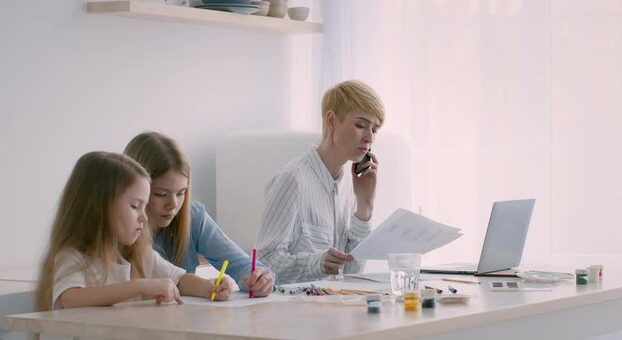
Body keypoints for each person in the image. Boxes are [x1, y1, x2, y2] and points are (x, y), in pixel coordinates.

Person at [35, 152, 228, 311]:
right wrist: (141, 285)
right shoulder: (72, 257)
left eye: (144, 207)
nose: (144, 217)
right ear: (99, 208)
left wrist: (209, 287)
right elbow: (71, 298)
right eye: (135, 206)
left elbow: (179, 281)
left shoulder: (139, 254)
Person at [255, 79, 385, 284]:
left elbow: (351, 272)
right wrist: (317, 263)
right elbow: (265, 262)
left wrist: (365, 207)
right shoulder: (293, 180)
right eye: (361, 125)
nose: (369, 138)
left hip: (336, 306)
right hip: (295, 310)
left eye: (375, 130)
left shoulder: (351, 188)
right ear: (332, 121)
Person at [124, 132, 273, 296]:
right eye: (160, 194)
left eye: (181, 193)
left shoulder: (193, 217)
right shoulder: (116, 229)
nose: (173, 205)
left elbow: (239, 263)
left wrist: (259, 278)